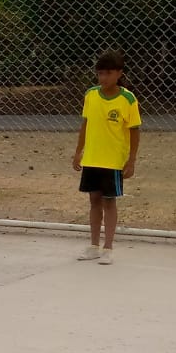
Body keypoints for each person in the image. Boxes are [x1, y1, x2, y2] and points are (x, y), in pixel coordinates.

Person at [71, 48, 142, 265]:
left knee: (109, 202)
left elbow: (134, 130)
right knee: (94, 201)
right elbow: (85, 124)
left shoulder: (128, 99)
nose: (103, 78)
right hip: (92, 158)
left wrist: (131, 160)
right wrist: (78, 151)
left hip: (112, 161)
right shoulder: (91, 95)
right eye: (100, 73)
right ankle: (93, 245)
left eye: (108, 73)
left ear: (119, 73)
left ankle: (108, 247)